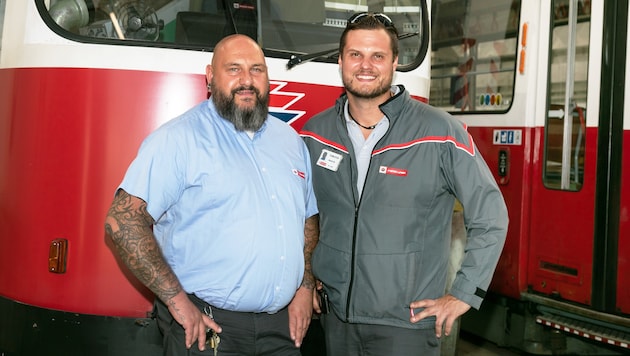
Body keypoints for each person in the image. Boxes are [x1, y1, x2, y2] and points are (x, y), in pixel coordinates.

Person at [300, 12, 509, 356]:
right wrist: (305, 281)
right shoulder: (315, 133)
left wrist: (463, 293)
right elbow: (305, 217)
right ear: (340, 61)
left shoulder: (440, 132)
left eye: (378, 56)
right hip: (335, 322)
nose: (365, 65)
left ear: (395, 62)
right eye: (356, 55)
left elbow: (491, 215)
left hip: (407, 328)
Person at [104, 34, 319, 356]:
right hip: (208, 329)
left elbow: (307, 218)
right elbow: (122, 221)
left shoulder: (289, 141)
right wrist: (177, 302)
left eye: (257, 70)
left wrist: (304, 288)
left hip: (282, 330)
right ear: (210, 77)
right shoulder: (177, 140)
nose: (247, 80)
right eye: (234, 69)